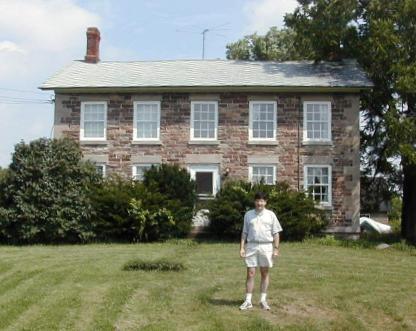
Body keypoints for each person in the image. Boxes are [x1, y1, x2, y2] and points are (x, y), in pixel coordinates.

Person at [239, 191, 283, 310]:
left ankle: (263, 300)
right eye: (258, 200)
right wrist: (242, 247)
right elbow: (244, 232)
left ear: (266, 202)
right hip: (252, 246)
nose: (260, 203)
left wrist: (276, 248)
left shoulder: (271, 215)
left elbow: (276, 233)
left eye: (262, 201)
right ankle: (248, 301)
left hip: (266, 247)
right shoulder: (248, 215)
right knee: (250, 273)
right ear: (255, 201)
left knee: (264, 273)